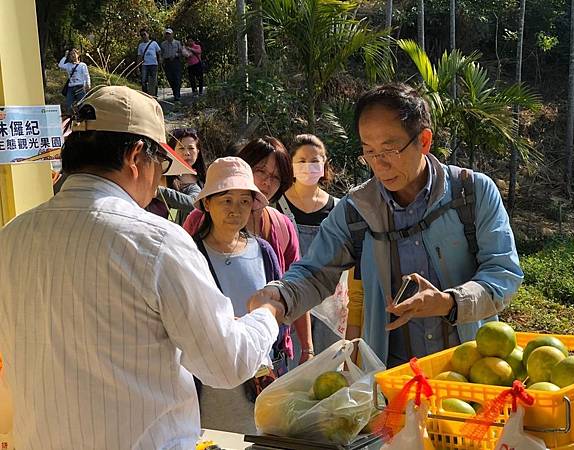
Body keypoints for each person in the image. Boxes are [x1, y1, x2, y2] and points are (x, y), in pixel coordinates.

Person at [0, 86, 284, 449]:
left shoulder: (11, 237)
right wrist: (266, 314)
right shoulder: (156, 241)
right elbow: (225, 363)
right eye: (161, 165)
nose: (159, 180)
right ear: (136, 156)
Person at [248, 83, 523, 367]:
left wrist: (450, 302)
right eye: (369, 152)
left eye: (390, 150)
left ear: (424, 141)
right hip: (390, 381)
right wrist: (280, 294)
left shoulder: (471, 193)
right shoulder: (357, 211)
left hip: (472, 375)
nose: (379, 165)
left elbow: (503, 273)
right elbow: (315, 273)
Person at [184, 137, 314, 364]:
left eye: (275, 177)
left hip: (268, 358)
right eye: (261, 171)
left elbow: (295, 288)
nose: (267, 181)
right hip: (211, 361)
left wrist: (307, 348)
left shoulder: (279, 229)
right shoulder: (197, 227)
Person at [190, 157, 287, 434]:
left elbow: (280, 305)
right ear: (207, 203)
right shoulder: (190, 253)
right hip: (210, 388)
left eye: (245, 201)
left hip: (260, 382)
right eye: (227, 200)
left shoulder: (264, 250)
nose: (236, 209)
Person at [276, 134, 346, 362]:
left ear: (325, 165)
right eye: (302, 160)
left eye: (315, 160)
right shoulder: (276, 207)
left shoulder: (339, 208)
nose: (309, 166)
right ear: (291, 165)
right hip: (291, 299)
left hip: (332, 305)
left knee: (329, 370)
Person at [150, 128, 206, 225]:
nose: (186, 153)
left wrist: (159, 191)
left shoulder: (204, 180)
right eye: (181, 148)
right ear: (172, 151)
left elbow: (195, 203)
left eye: (191, 148)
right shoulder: (161, 175)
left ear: (198, 151)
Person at [58, 48, 91, 112]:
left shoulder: (82, 65)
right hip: (71, 87)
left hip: (80, 87)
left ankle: (82, 119)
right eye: (71, 54)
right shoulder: (68, 65)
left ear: (78, 55)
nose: (72, 55)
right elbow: (60, 65)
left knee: (82, 104)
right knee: (69, 104)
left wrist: (88, 84)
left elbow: (86, 75)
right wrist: (65, 56)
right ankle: (71, 118)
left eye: (74, 53)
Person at [137, 28, 161, 96]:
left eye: (144, 34)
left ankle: (155, 95)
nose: (143, 36)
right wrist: (137, 67)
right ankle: (145, 95)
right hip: (145, 64)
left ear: (148, 34)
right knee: (144, 80)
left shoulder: (154, 43)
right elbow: (139, 56)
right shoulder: (141, 45)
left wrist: (160, 58)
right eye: (142, 35)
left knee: (154, 80)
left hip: (153, 64)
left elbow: (159, 51)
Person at [161, 28, 183, 101]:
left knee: (177, 78)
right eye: (166, 34)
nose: (168, 36)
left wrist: (176, 55)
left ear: (172, 35)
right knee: (170, 78)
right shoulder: (163, 44)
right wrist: (162, 60)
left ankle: (177, 95)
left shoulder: (177, 43)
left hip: (175, 61)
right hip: (167, 62)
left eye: (169, 34)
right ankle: (175, 92)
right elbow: (162, 53)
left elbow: (181, 52)